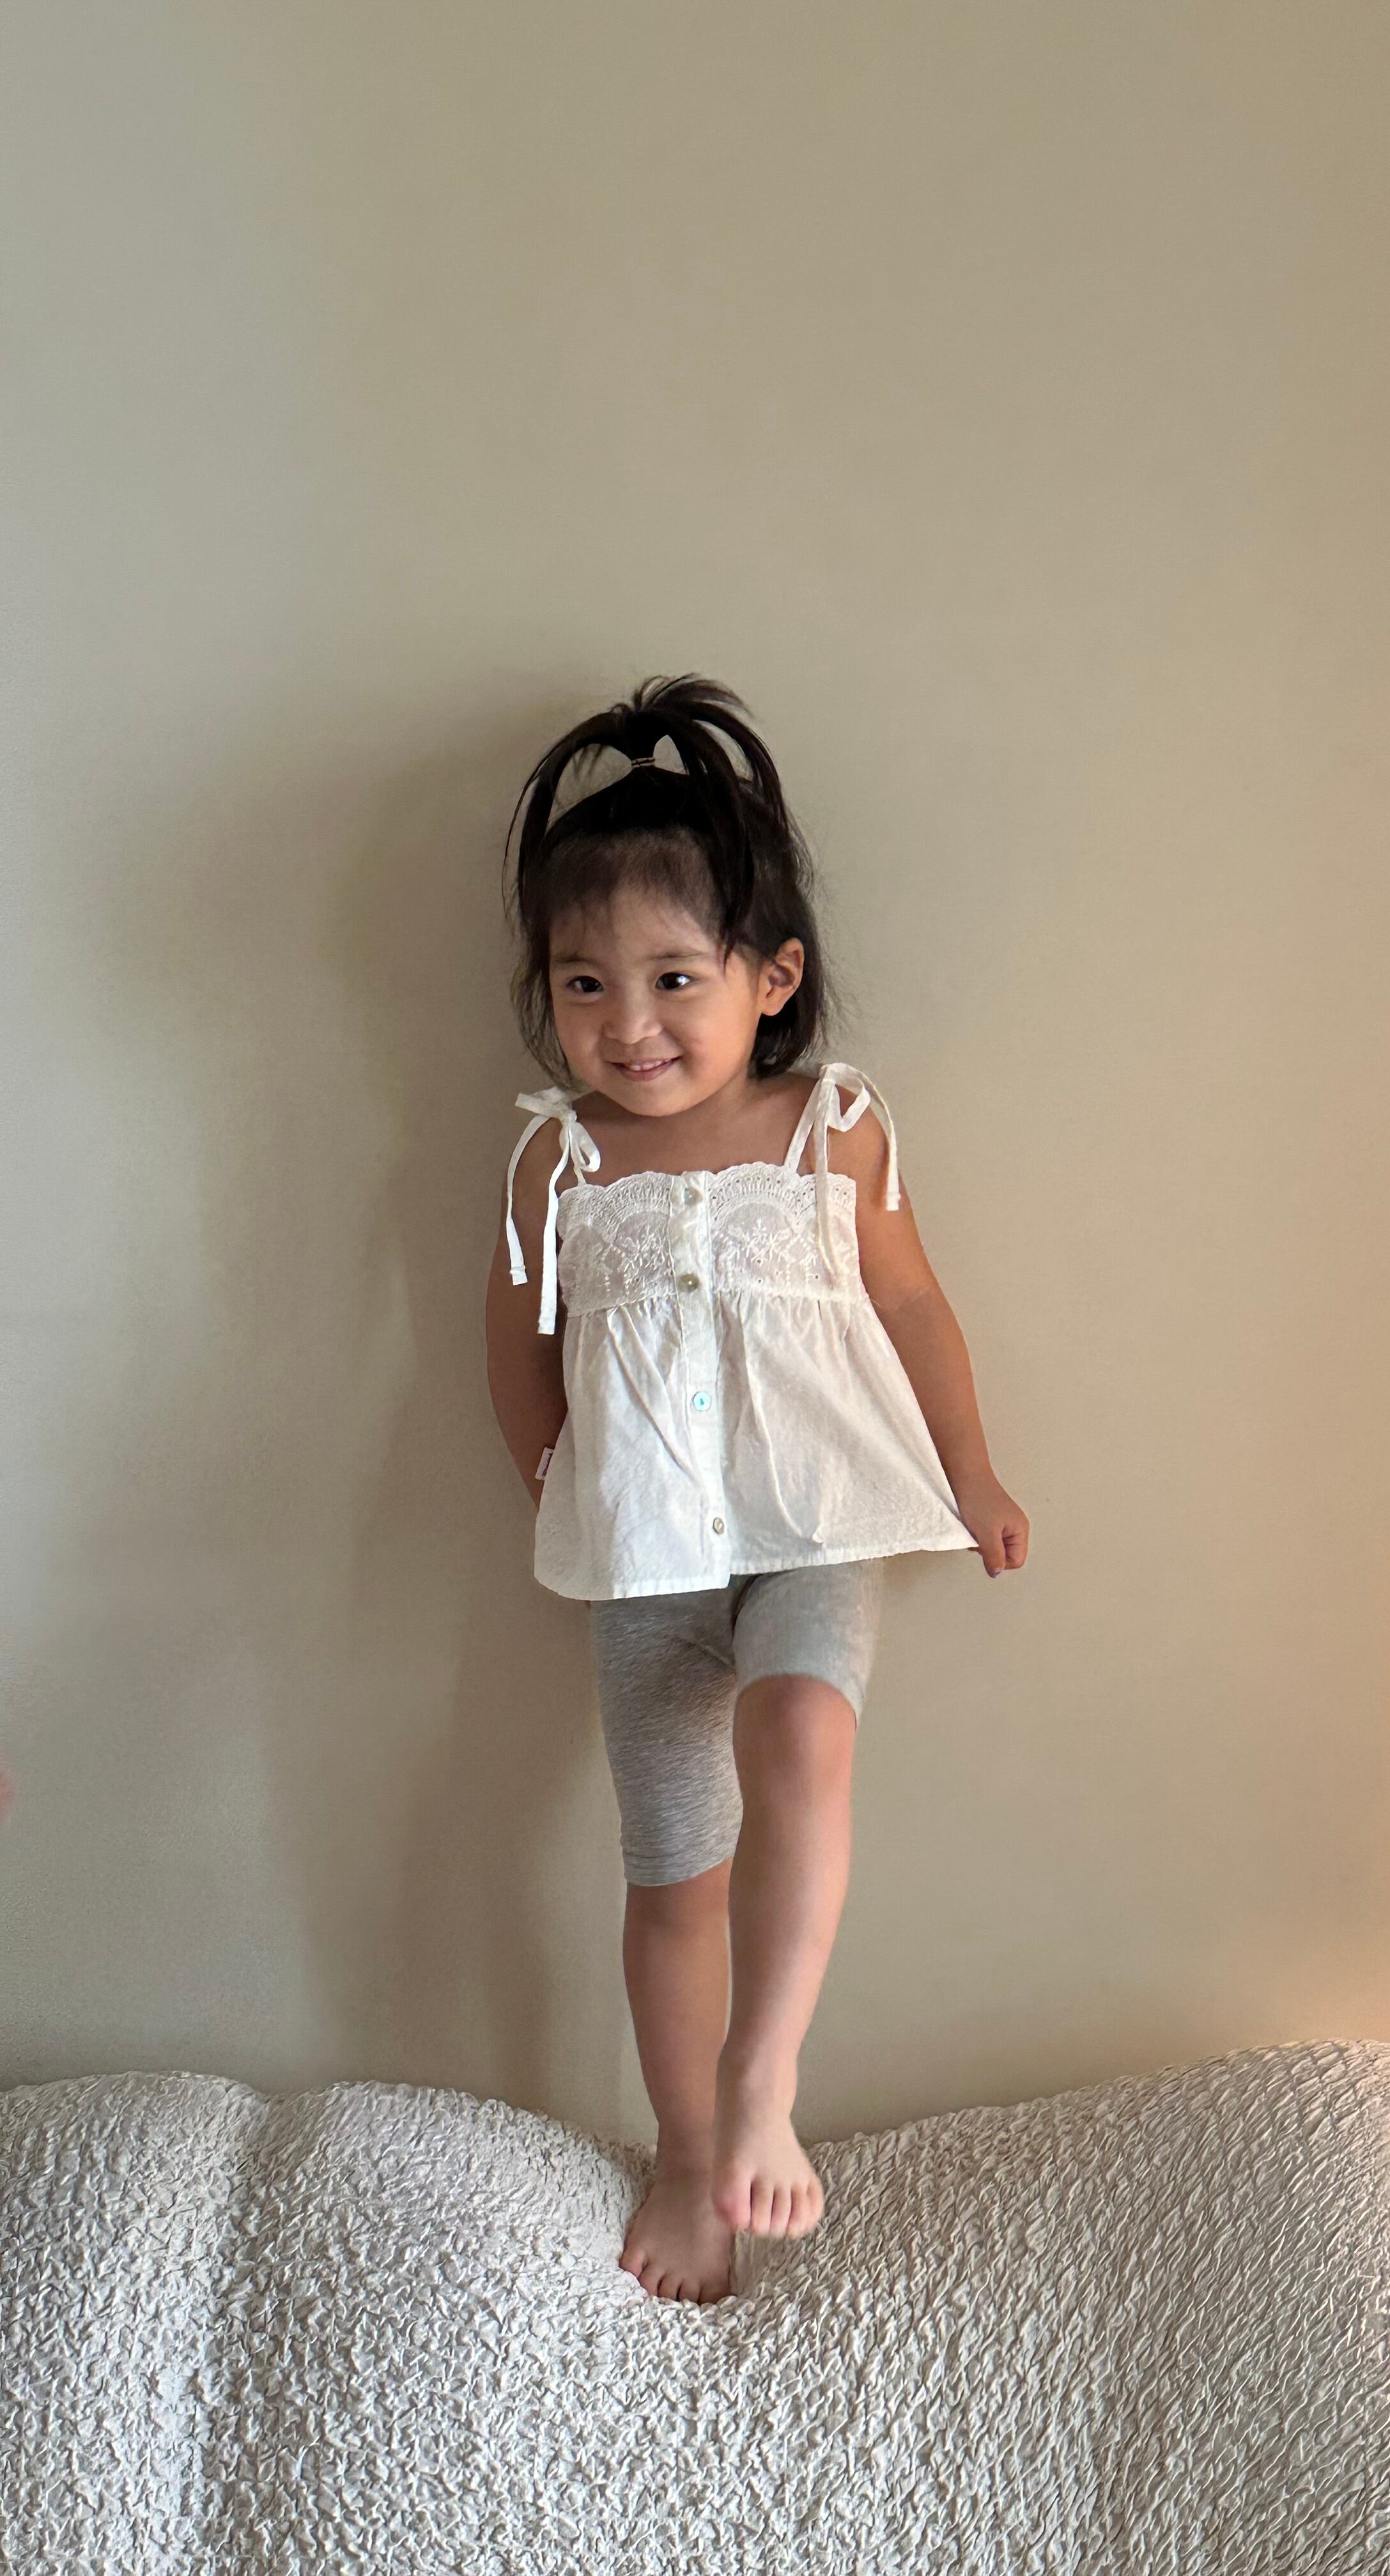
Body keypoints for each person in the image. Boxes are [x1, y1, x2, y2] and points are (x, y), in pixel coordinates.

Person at [484, 675, 1028, 2306]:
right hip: (645, 1553)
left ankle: (762, 2077)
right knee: (670, 1869)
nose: (628, 1023)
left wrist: (974, 1470)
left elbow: (913, 1303)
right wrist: (552, 1480)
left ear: (770, 978)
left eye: (673, 979)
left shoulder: (828, 1130)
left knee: (802, 1736)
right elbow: (517, 1341)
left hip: (814, 1524)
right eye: (585, 985)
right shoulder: (559, 1159)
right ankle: (682, 2148)